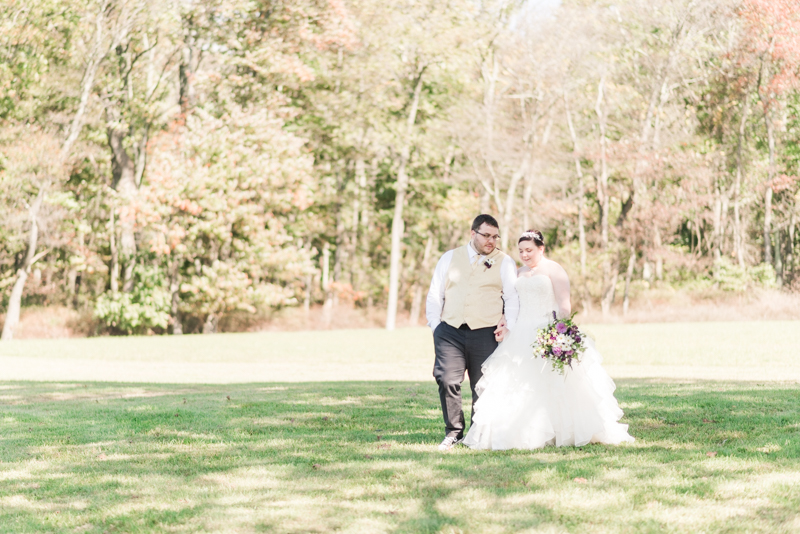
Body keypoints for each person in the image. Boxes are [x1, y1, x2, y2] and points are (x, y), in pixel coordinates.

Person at [463, 229, 634, 450]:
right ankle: (517, 432)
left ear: (541, 249)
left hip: (547, 329)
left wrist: (559, 333)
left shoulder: (554, 269)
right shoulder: (518, 272)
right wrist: (505, 323)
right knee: (518, 383)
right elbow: (511, 302)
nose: (524, 255)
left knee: (556, 383)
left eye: (529, 250)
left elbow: (564, 305)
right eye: (521, 251)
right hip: (521, 333)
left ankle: (562, 431)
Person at [425, 214, 520, 451]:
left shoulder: (504, 262)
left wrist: (509, 325)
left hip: (486, 331)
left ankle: (477, 434)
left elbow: (512, 298)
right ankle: (454, 432)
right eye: (486, 235)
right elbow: (436, 293)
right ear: (473, 233)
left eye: (495, 237)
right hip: (450, 331)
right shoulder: (449, 257)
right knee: (447, 379)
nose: (491, 241)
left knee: (482, 385)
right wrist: (436, 326)